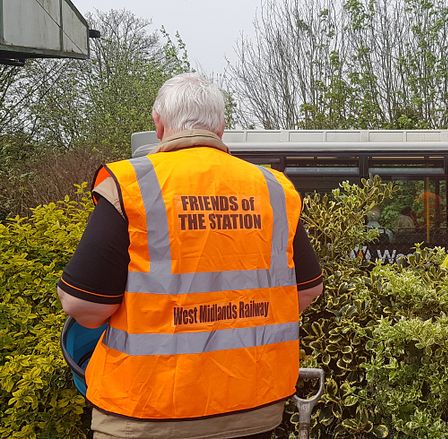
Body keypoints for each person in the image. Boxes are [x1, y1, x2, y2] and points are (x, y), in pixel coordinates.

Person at [57, 73, 323, 439]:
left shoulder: (131, 186)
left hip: (146, 412)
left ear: (159, 123)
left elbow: (82, 304)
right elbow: (306, 291)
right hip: (254, 410)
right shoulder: (274, 189)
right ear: (221, 128)